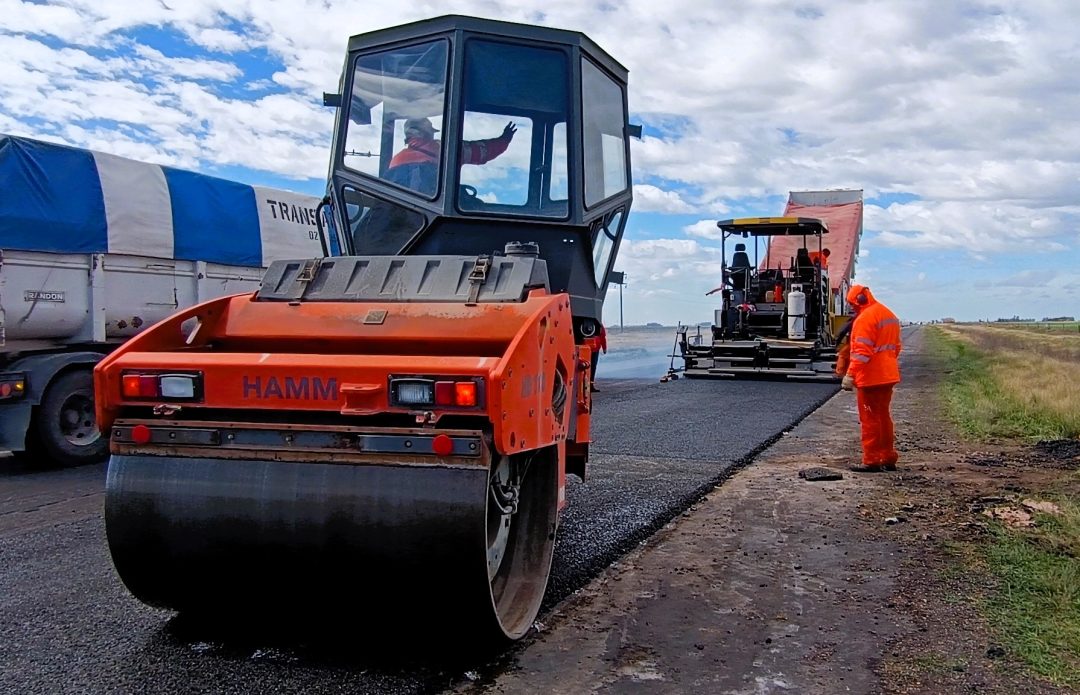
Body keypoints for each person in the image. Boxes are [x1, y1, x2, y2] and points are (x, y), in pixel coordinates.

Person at [841, 284, 902, 472]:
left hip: (871, 378)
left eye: (852, 304)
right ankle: (888, 457)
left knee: (869, 418)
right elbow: (896, 347)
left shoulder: (865, 319)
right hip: (888, 375)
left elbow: (861, 353)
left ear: (859, 300)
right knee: (883, 417)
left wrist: (850, 375)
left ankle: (872, 460)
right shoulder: (889, 314)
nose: (852, 308)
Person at [385, 117, 517, 195]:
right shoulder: (442, 150)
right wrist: (504, 139)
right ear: (426, 133)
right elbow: (482, 152)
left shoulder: (396, 160)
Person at [584, 323, 607, 393]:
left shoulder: (599, 325)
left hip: (595, 350)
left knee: (593, 367)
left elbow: (603, 337)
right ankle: (585, 385)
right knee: (586, 367)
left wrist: (604, 348)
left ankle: (590, 386)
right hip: (586, 349)